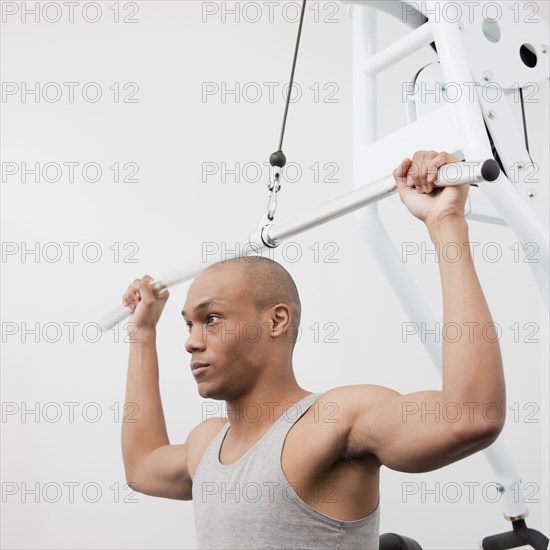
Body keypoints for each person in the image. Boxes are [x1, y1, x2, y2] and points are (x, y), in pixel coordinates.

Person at [120, 151, 505, 549]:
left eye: (212, 318)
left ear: (276, 321)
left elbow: (469, 417)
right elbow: (142, 467)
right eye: (188, 324)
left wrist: (445, 223)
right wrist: (142, 333)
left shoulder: (333, 420)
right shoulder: (207, 444)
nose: (191, 341)